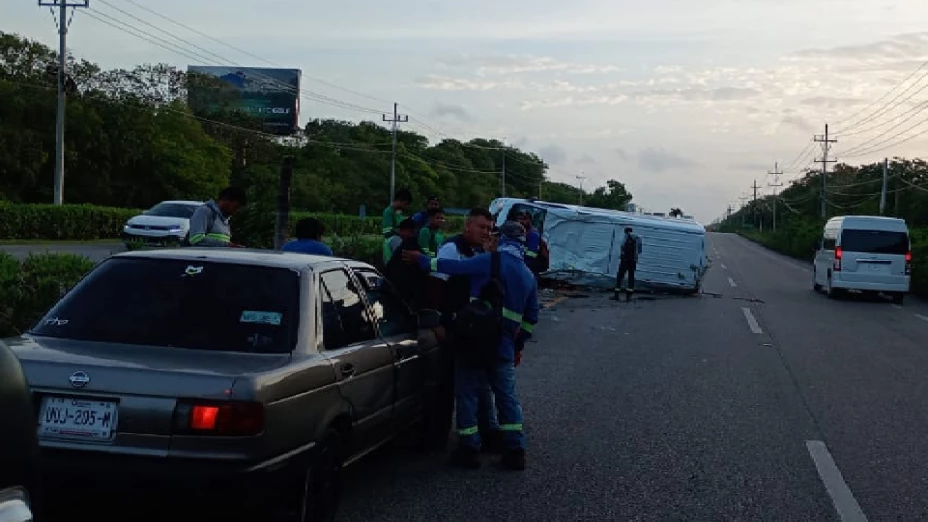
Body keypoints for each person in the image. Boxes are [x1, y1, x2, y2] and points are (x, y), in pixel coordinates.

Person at [403, 221, 539, 471]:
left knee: (467, 393)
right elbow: (531, 319)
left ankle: (469, 448)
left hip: (474, 341)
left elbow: (452, 267)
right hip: (504, 347)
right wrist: (518, 345)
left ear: (502, 240)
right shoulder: (528, 275)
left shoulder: (489, 261)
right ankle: (515, 450)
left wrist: (421, 260)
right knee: (507, 397)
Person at [430, 208, 504, 453]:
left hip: (474, 329)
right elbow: (436, 287)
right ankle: (438, 438)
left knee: (479, 383)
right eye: (482, 227)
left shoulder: (481, 253)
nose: (486, 232)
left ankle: (486, 433)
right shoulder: (453, 249)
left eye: (489, 228)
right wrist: (437, 321)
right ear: (468, 226)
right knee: (448, 384)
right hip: (453, 326)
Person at [384, 218, 426, 307]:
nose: (399, 233)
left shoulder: (406, 246)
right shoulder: (410, 247)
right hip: (406, 292)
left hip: (399, 291)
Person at [614, 226, 642, 301]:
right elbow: (639, 250)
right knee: (631, 277)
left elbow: (622, 246)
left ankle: (616, 295)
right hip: (633, 261)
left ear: (625, 232)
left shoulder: (625, 237)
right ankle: (629, 296)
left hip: (624, 260)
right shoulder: (637, 238)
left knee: (620, 277)